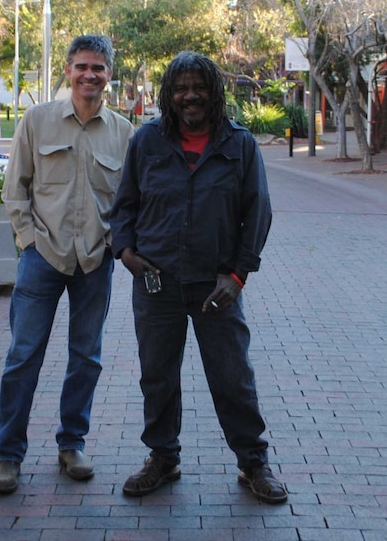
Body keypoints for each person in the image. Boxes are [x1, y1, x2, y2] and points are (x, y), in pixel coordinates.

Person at [110, 51, 287, 504]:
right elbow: (125, 204)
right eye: (181, 87)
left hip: (217, 286)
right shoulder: (147, 141)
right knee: (158, 376)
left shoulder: (239, 145)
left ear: (215, 92)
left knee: (233, 376)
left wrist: (238, 275)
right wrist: (125, 252)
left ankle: (253, 463)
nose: (190, 95)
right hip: (156, 282)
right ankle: (162, 458)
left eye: (199, 87)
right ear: (169, 94)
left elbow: (258, 212)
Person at [0, 34, 134, 494]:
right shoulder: (37, 121)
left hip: (96, 260)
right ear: (68, 71)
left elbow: (130, 200)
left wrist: (113, 242)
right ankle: (8, 455)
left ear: (110, 75)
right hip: (42, 258)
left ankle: (72, 444)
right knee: (22, 357)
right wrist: (28, 241)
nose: (90, 75)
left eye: (99, 68)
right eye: (82, 66)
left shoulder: (124, 132)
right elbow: (16, 188)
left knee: (86, 358)